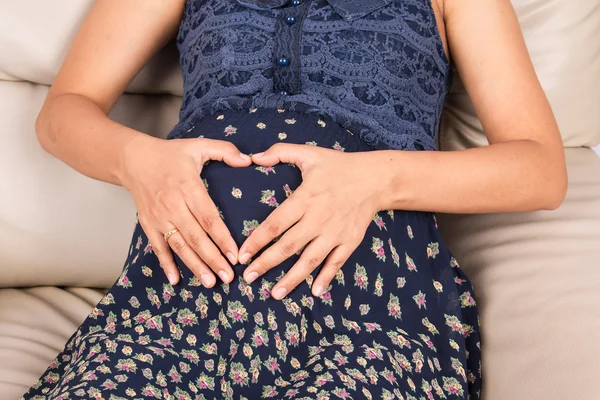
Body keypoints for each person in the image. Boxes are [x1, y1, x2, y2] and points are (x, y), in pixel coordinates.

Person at [21, 0, 566, 399]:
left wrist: (375, 180)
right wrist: (137, 161)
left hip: (365, 311)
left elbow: (540, 168)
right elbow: (63, 111)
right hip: (175, 301)